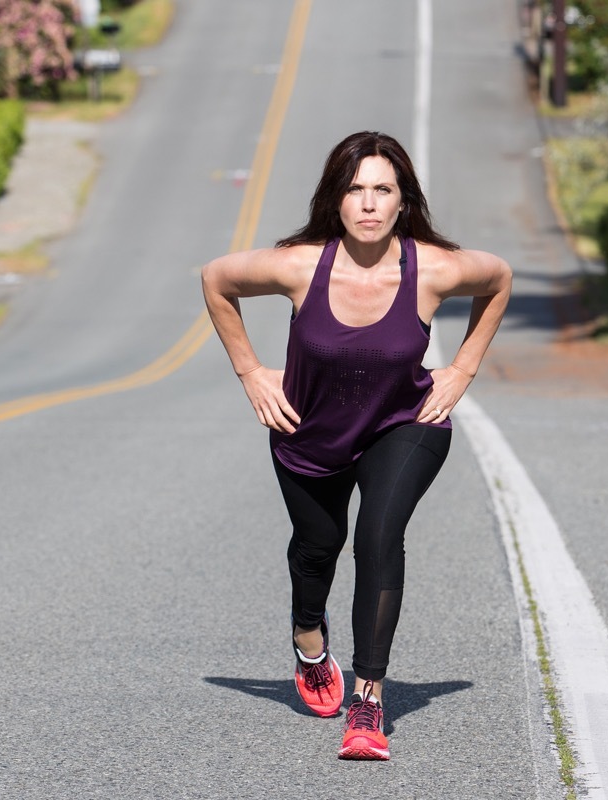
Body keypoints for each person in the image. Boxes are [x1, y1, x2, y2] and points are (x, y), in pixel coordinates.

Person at [201, 131, 512, 761]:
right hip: (310, 429)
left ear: (403, 202)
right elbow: (215, 280)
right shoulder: (298, 266)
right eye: (355, 190)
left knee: (378, 538)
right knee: (318, 547)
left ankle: (368, 699)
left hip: (404, 422)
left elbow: (499, 279)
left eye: (383, 190)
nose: (368, 204)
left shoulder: (434, 269)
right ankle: (309, 642)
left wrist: (462, 369)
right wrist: (252, 372)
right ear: (336, 201)